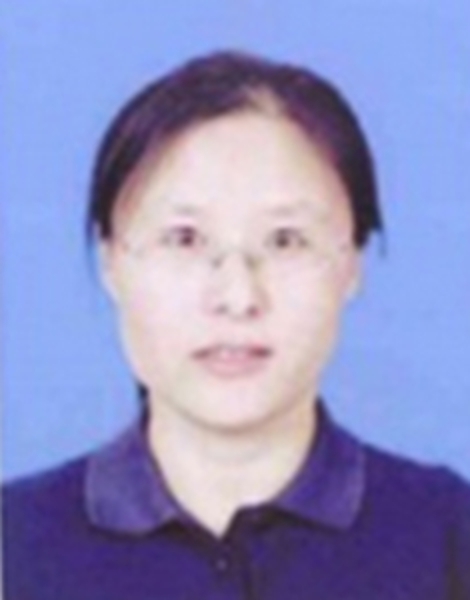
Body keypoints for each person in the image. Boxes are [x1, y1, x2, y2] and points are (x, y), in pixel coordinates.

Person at [3, 50, 470, 600]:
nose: (238, 297)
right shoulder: (16, 544)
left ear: (352, 264)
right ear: (111, 262)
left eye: (286, 240)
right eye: (184, 239)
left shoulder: (447, 533)